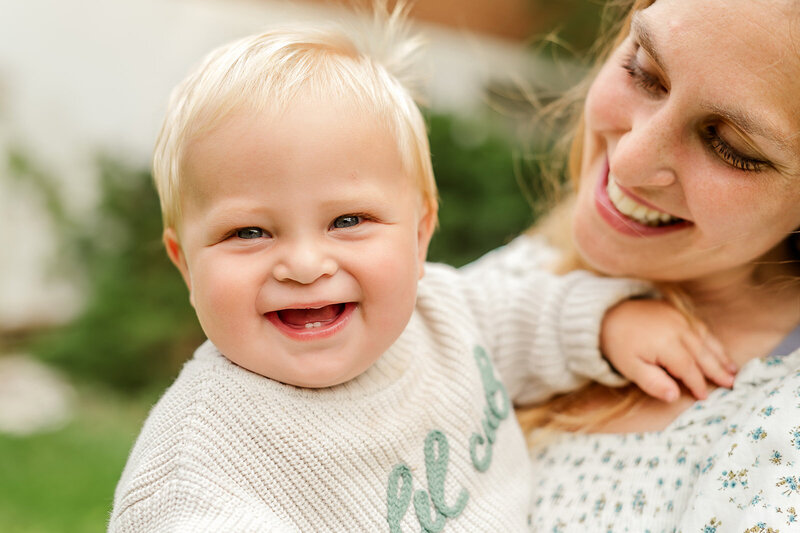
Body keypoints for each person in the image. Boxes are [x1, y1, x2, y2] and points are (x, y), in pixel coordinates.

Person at [107, 5, 733, 532]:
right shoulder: (197, 466)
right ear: (184, 263)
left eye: (348, 220)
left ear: (420, 232)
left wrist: (608, 325)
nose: (303, 264)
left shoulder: (444, 315)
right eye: (248, 232)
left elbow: (523, 317)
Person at [519, 0, 800, 531]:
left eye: (730, 147)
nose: (629, 160)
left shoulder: (780, 439)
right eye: (643, 71)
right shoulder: (529, 270)